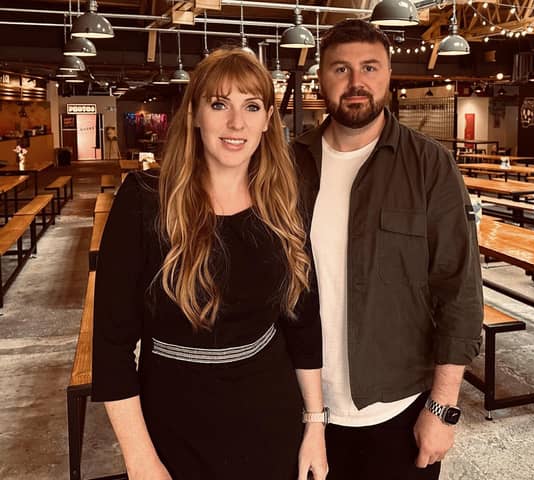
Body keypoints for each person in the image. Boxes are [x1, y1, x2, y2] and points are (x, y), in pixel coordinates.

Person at [92, 48, 328, 480]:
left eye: (251, 106)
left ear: (267, 119)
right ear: (195, 114)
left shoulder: (282, 202)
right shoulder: (145, 201)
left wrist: (315, 424)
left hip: (270, 419)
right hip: (174, 421)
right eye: (220, 104)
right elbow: (110, 346)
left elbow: (303, 322)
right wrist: (140, 459)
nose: (236, 123)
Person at [292, 19, 484, 480]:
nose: (356, 82)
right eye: (341, 69)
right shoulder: (288, 164)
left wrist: (443, 409)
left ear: (388, 75)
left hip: (398, 409)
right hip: (301, 408)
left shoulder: (429, 165)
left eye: (370, 68)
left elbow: (459, 291)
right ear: (321, 77)